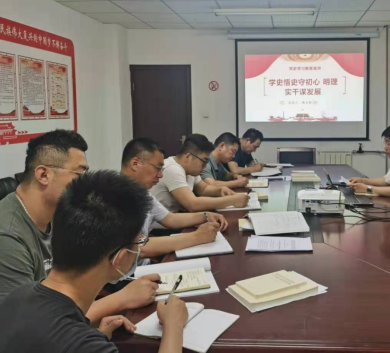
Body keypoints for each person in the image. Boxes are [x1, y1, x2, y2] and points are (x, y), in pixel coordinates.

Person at [0, 170, 190, 353]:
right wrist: (174, 325)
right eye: (139, 242)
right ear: (119, 259)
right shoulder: (84, 345)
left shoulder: (17, 296)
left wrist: (98, 334)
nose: (140, 247)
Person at [0, 130, 160, 324]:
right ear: (43, 175)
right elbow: (25, 325)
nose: (85, 183)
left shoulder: (59, 213)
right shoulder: (8, 236)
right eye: (80, 174)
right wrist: (121, 299)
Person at [121, 138, 228, 262]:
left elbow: (170, 219)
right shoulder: (115, 198)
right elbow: (138, 247)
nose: (161, 175)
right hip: (131, 272)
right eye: (158, 168)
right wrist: (197, 237)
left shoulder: (142, 193)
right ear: (135, 164)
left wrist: (206, 215)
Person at [151, 134, 249, 212]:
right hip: (161, 227)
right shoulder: (172, 169)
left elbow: (204, 189)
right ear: (188, 157)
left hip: (176, 218)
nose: (205, 166)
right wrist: (231, 201)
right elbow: (193, 204)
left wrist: (220, 190)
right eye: (204, 161)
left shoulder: (190, 170)